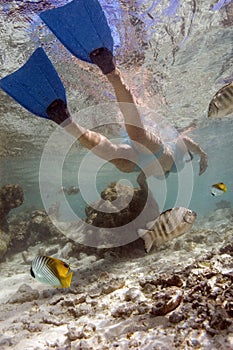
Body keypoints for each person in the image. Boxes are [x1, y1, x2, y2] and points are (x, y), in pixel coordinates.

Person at [47, 47, 208, 188]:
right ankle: (111, 72)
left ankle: (66, 120)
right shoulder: (179, 151)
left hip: (138, 164)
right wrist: (202, 154)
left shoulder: (164, 169)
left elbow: (142, 178)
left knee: (115, 156)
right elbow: (184, 140)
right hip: (159, 152)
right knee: (138, 135)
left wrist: (142, 187)